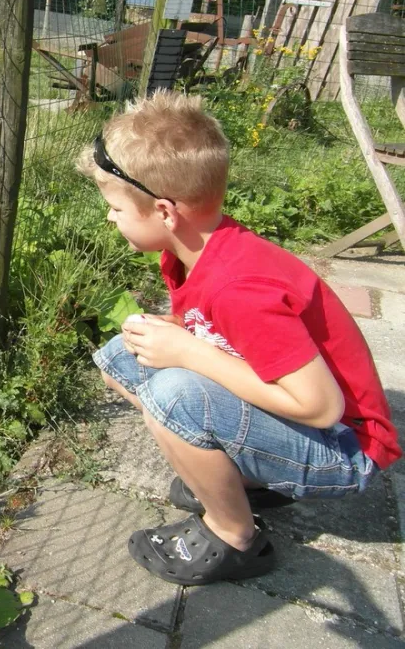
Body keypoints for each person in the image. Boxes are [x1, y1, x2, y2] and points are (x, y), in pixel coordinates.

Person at [76, 90, 400, 586]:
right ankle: (235, 477)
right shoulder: (196, 253)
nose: (110, 217)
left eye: (115, 207)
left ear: (164, 212)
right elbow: (227, 337)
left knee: (174, 395)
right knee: (124, 357)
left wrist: (189, 352)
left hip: (345, 452)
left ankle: (234, 535)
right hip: (311, 428)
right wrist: (182, 333)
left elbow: (320, 408)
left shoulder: (239, 286)